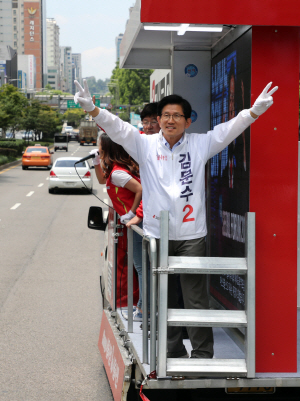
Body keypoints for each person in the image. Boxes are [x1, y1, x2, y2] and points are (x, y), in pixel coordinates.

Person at [74, 79, 278, 359]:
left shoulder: (200, 144)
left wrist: (253, 112)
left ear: (187, 121)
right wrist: (93, 110)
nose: (171, 120)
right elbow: (117, 128)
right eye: (166, 115)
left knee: (195, 298)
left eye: (177, 115)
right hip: (158, 236)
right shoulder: (143, 145)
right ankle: (171, 351)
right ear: (158, 120)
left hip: (192, 236)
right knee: (163, 297)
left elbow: (229, 130)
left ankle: (203, 353)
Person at [91, 133, 146, 322]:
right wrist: (96, 162)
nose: (98, 149)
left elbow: (140, 189)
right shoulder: (115, 171)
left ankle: (142, 309)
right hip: (136, 223)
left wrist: (132, 212)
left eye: (100, 147)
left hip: (138, 223)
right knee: (140, 266)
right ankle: (142, 307)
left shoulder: (118, 173)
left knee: (140, 266)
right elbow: (101, 180)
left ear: (107, 149)